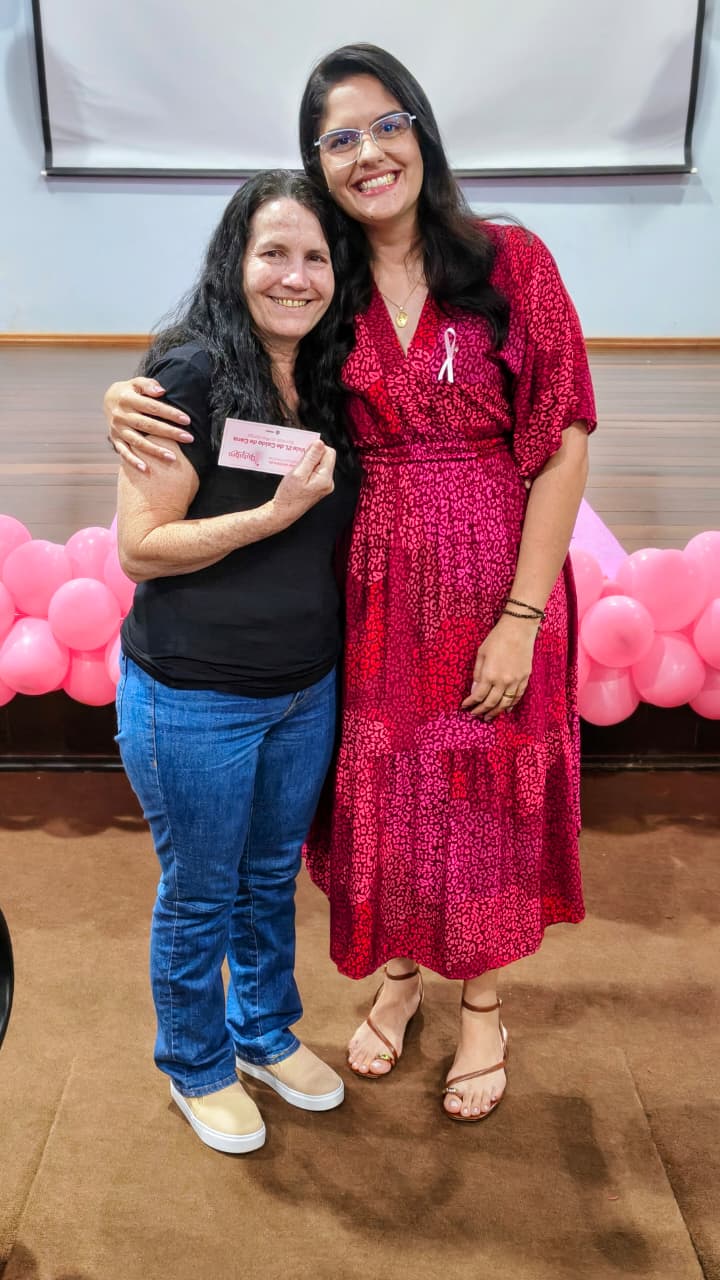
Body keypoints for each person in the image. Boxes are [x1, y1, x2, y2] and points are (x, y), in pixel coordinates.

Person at [105, 45, 596, 1124]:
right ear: (318, 162)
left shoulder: (511, 261)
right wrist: (125, 393)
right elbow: (228, 347)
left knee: (479, 789)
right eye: (338, 138)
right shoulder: (327, 282)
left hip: (493, 581)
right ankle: (401, 977)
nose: (368, 152)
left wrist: (522, 616)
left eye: (386, 124)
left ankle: (482, 1003)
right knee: (390, 787)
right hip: (368, 592)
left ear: (420, 129)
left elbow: (562, 437)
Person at [114, 169, 358, 1153]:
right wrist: (271, 515)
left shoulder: (334, 372)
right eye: (274, 253)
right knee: (202, 892)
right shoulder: (190, 375)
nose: (296, 276)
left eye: (315, 256)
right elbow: (140, 548)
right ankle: (196, 1062)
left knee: (267, 879)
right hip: (194, 695)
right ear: (236, 261)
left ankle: (262, 1032)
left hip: (305, 688)